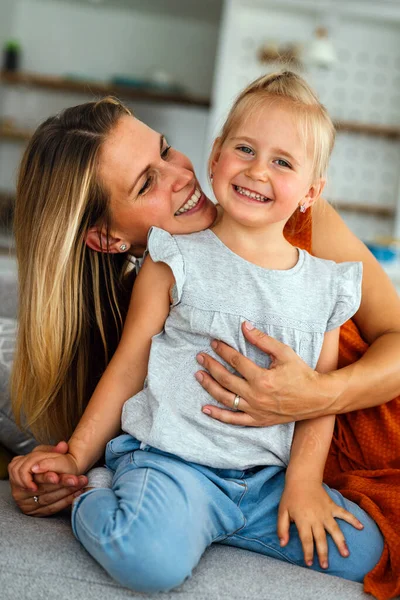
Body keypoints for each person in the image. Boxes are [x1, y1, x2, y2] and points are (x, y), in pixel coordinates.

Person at [7, 77, 400, 599]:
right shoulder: (167, 272)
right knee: (149, 550)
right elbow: (126, 376)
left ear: (310, 189)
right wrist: (71, 466)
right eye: (146, 183)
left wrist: (314, 398)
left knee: (368, 549)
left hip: (335, 445)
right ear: (107, 238)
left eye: (166, 149)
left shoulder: (303, 232)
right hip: (196, 470)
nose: (181, 176)